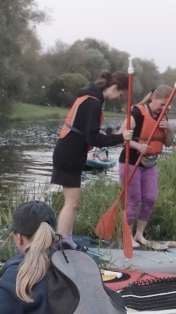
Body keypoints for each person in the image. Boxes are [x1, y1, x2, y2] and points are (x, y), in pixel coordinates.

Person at [52, 71, 134, 240]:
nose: (119, 98)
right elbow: (93, 138)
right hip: (69, 154)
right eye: (120, 94)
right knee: (72, 202)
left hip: (71, 152)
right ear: (114, 88)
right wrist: (121, 137)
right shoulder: (93, 103)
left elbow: (88, 132)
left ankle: (66, 239)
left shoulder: (91, 99)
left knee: (73, 201)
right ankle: (62, 241)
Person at [118, 85, 176, 249]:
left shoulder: (163, 117)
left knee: (150, 198)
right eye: (162, 104)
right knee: (133, 199)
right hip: (131, 161)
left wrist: (169, 129)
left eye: (167, 106)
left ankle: (139, 234)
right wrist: (137, 146)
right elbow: (119, 136)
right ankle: (127, 236)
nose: (164, 108)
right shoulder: (137, 113)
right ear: (153, 98)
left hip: (150, 163)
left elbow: (168, 143)